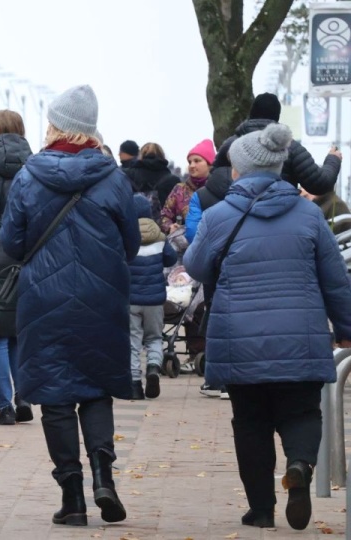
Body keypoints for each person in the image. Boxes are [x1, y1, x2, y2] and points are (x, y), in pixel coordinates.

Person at [184, 123, 351, 531]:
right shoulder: (310, 215)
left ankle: (261, 510)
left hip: (239, 341)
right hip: (301, 336)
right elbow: (336, 281)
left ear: (237, 170)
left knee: (251, 421)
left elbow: (194, 266)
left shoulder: (219, 215)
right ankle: (299, 464)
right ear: (279, 168)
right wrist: (346, 328)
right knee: (301, 412)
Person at [0, 85, 139, 527]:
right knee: (96, 387)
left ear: (55, 125)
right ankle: (104, 477)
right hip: (102, 296)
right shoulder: (114, 177)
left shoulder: (28, 176)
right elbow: (131, 244)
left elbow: (11, 242)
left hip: (45, 298)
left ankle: (73, 496)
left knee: (56, 396)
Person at [0, 110, 35, 426]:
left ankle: (4, 406)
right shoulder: (35, 170)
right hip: (26, 253)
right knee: (19, 333)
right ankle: (24, 395)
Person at [216, 93, 342, 196]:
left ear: (252, 113)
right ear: (277, 116)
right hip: (281, 216)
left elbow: (214, 179)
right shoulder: (290, 147)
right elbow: (320, 184)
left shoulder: (232, 144)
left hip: (236, 217)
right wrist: (333, 159)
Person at [127, 194, 177, 400]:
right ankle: (154, 367)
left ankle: (134, 385)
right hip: (155, 300)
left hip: (131, 300)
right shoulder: (160, 238)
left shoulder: (126, 238)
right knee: (154, 337)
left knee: (133, 340)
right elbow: (171, 259)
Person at [160, 140, 215, 233]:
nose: (192, 165)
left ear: (209, 164)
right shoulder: (179, 189)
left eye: (197, 161)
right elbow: (164, 216)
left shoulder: (217, 188)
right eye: (190, 162)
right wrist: (170, 227)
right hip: (183, 244)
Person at [124, 143, 181, 220]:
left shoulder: (126, 175)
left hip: (132, 226)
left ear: (141, 155)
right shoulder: (173, 180)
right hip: (163, 228)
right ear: (162, 156)